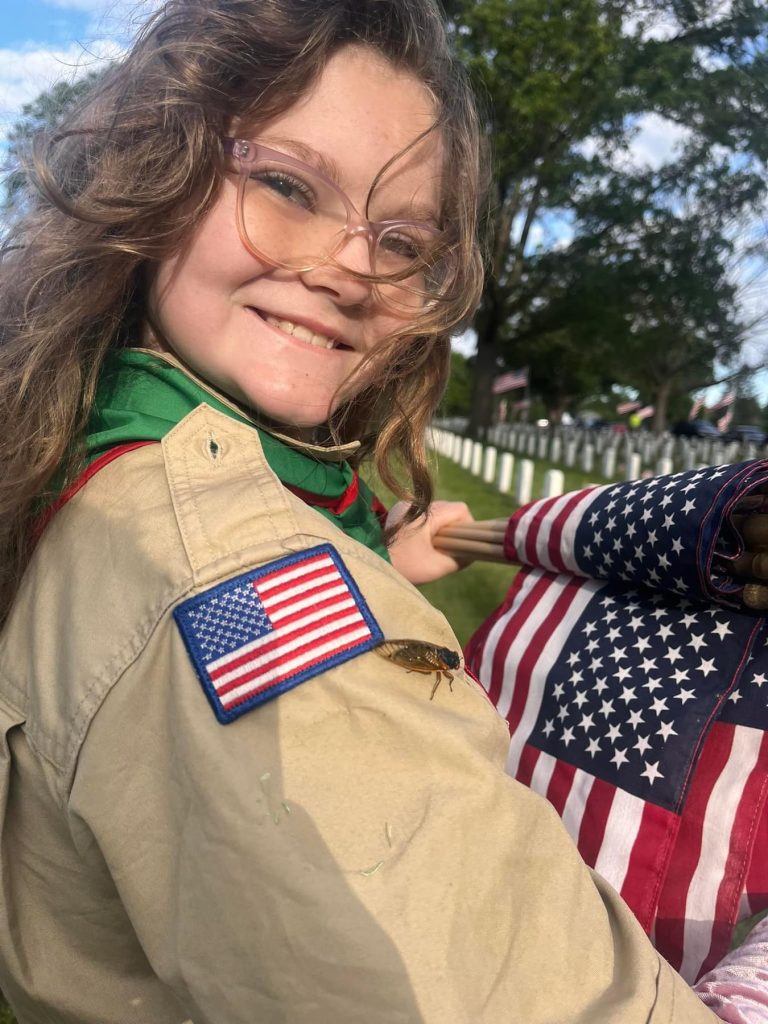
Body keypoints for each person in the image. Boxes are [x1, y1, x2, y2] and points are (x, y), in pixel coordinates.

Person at [0, 1, 718, 1021]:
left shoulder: (102, 450)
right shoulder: (231, 575)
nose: (349, 267)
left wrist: (378, 559)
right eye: (288, 186)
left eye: (400, 239)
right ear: (160, 176)